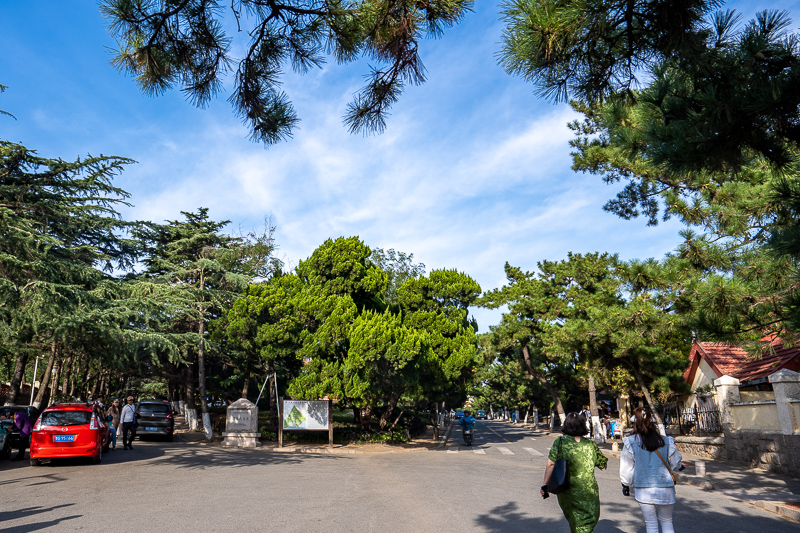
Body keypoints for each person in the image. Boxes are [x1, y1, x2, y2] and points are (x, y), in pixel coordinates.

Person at [541, 412, 608, 533]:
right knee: (587, 523)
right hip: (589, 492)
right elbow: (602, 463)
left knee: (576, 522)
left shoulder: (560, 442)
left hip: (568, 492)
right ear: (583, 426)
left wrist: (546, 485)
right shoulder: (590, 444)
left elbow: (551, 463)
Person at [620, 406, 682, 533]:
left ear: (635, 424)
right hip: (665, 487)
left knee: (651, 524)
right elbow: (676, 463)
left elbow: (626, 467)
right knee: (667, 521)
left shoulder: (630, 442)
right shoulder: (666, 441)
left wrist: (626, 483)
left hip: (643, 489)